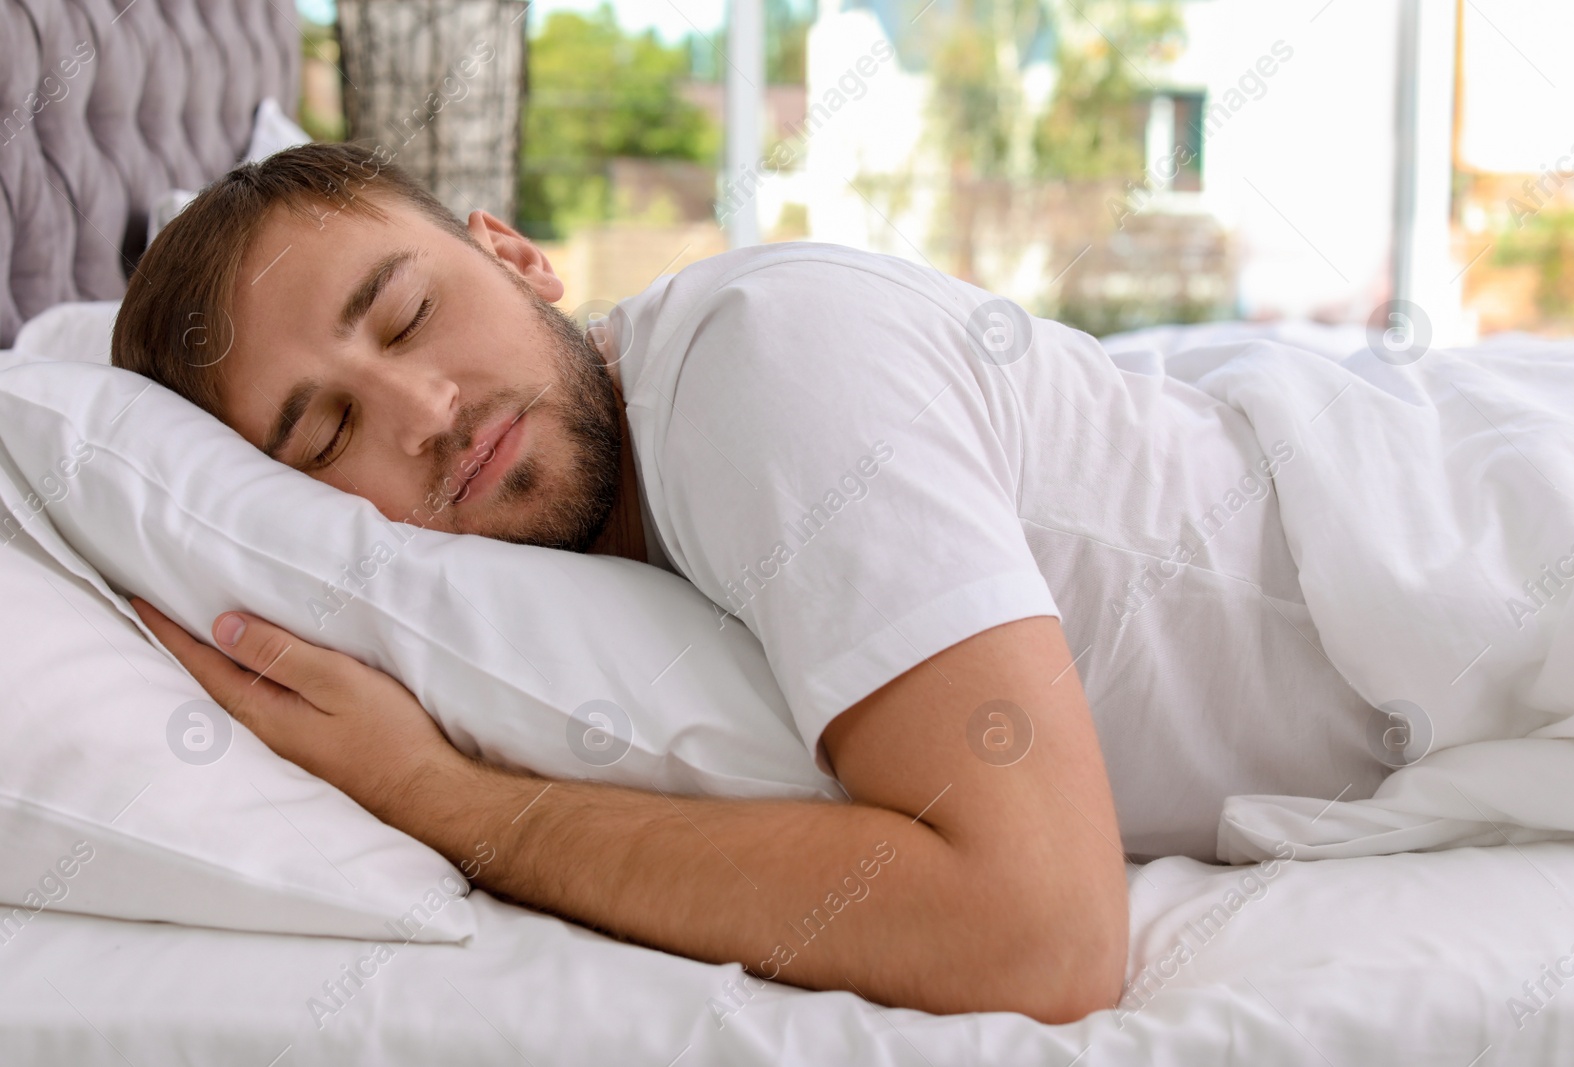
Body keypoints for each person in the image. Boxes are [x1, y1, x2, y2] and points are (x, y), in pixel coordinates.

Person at [113, 143, 1380, 1023]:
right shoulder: (613, 559)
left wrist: (446, 799)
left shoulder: (761, 364)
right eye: (326, 437)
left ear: (515, 255)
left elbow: (1036, 934)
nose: (428, 410)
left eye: (405, 317)